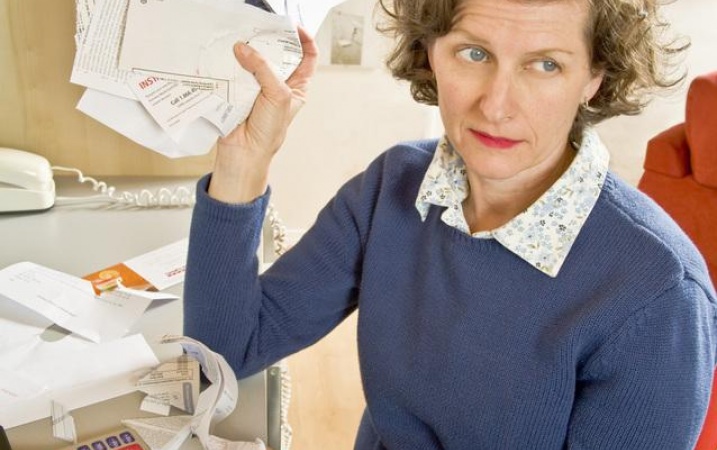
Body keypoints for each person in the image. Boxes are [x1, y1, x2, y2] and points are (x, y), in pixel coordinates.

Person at [183, 0, 717, 448]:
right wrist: (244, 159)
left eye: (545, 64)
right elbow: (225, 351)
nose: (497, 105)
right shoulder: (393, 185)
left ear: (593, 78)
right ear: (431, 53)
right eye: (474, 53)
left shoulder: (661, 296)